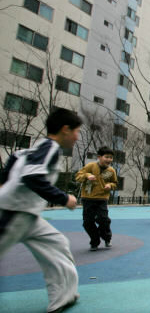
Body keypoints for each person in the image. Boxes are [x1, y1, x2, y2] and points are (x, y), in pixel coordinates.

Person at [0, 108, 81, 313]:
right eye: (76, 132)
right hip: (14, 213)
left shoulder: (35, 148)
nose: (77, 137)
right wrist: (64, 198)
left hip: (28, 215)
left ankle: (64, 296)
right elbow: (32, 176)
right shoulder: (51, 148)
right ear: (65, 129)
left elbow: (15, 159)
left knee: (58, 244)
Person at [76, 146, 117, 251]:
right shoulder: (90, 166)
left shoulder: (111, 170)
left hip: (102, 199)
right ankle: (95, 241)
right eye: (106, 157)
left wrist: (110, 185)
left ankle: (107, 237)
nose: (109, 160)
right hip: (88, 198)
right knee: (87, 222)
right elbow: (78, 177)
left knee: (103, 219)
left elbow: (115, 183)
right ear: (99, 157)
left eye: (111, 157)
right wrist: (87, 176)